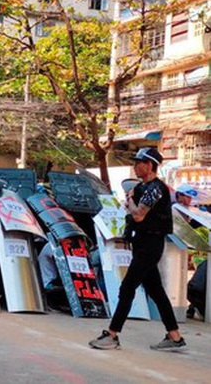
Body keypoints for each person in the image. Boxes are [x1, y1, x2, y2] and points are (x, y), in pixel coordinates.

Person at [89, 147, 186, 351]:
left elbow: (138, 215)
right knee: (156, 291)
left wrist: (130, 201)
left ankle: (113, 334)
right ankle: (175, 336)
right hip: (143, 243)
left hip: (150, 245)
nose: (135, 166)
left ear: (149, 165)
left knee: (127, 288)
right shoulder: (145, 187)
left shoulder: (155, 189)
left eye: (138, 163)